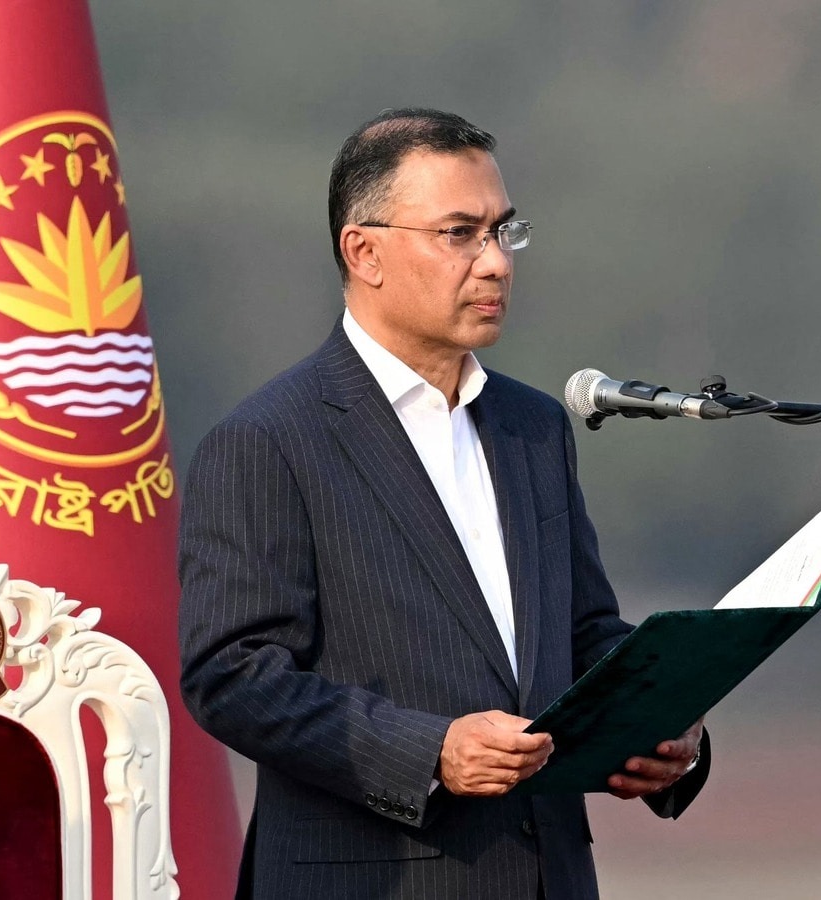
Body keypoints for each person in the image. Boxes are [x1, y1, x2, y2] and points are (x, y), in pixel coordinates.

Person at [178, 107, 710, 900]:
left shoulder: (533, 427)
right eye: (460, 234)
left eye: (503, 231)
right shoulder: (269, 439)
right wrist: (428, 751)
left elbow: (582, 632)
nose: (495, 263)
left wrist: (665, 717)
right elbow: (233, 677)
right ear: (364, 251)